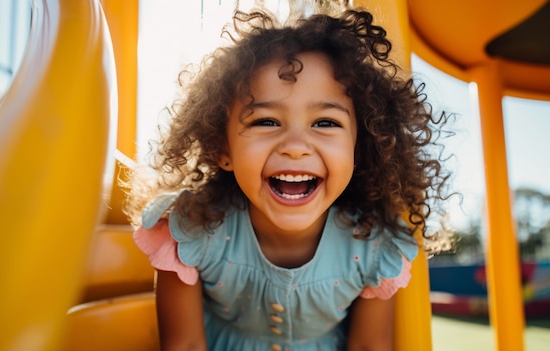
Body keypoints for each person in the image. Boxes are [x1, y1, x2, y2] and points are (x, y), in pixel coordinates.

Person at [123, 7, 452, 351]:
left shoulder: (373, 248)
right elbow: (185, 344)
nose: (295, 147)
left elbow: (369, 346)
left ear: (360, 148)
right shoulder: (192, 231)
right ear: (223, 147)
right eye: (265, 121)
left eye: (325, 123)